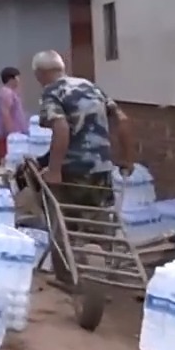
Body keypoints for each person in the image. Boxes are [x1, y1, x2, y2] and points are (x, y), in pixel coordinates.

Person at [31, 50, 132, 280]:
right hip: (101, 169)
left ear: (40, 74)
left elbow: (61, 128)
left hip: (73, 172)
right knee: (99, 221)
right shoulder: (91, 87)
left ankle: (66, 276)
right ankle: (104, 273)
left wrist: (54, 170)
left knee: (61, 220)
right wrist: (127, 158)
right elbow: (122, 120)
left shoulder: (52, 92)